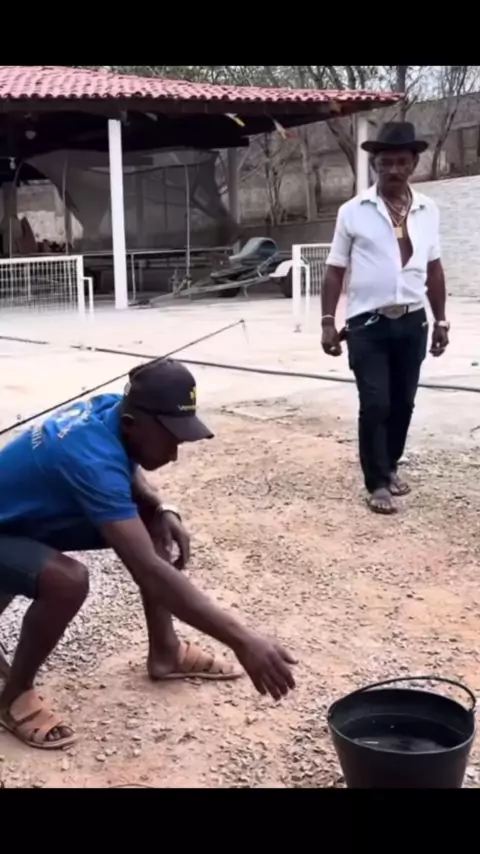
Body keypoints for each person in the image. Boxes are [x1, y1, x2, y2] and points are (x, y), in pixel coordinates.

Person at [0, 358, 295, 749]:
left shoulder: (114, 408)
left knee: (152, 519)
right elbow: (150, 571)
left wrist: (160, 505)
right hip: (8, 529)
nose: (174, 454)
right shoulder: (89, 457)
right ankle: (13, 696)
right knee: (66, 581)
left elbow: (125, 466)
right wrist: (243, 640)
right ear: (132, 424)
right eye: (171, 438)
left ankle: (166, 652)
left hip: (17, 520)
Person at [321, 122, 449, 515]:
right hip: (367, 325)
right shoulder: (352, 212)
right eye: (385, 163)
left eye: (401, 162)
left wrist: (441, 320)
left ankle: (390, 465)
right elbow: (335, 270)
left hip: (413, 322)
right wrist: (327, 321)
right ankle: (376, 482)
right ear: (375, 165)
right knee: (376, 402)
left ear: (414, 164)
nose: (393, 169)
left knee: (403, 402)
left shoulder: (428, 210)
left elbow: (434, 269)